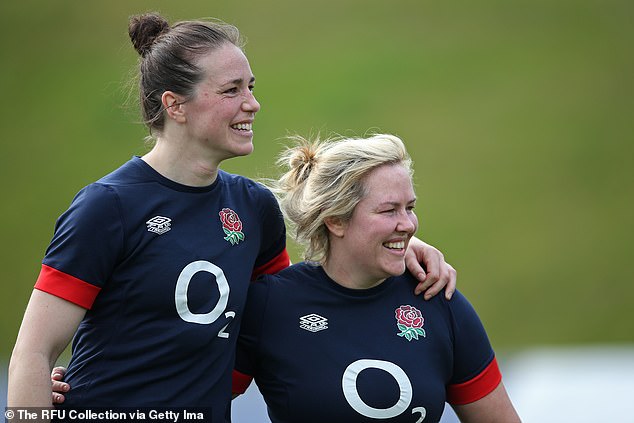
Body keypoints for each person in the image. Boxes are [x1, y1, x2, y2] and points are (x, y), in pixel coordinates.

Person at [8, 12, 455, 419]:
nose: (252, 104)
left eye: (251, 87)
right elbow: (32, 352)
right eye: (231, 90)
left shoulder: (254, 207)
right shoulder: (108, 206)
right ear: (175, 105)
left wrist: (392, 244)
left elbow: (287, 307)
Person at [231, 134, 521, 422]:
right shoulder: (271, 305)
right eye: (389, 210)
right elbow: (198, 399)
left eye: (410, 208)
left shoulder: (438, 299)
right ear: (336, 220)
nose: (408, 225)